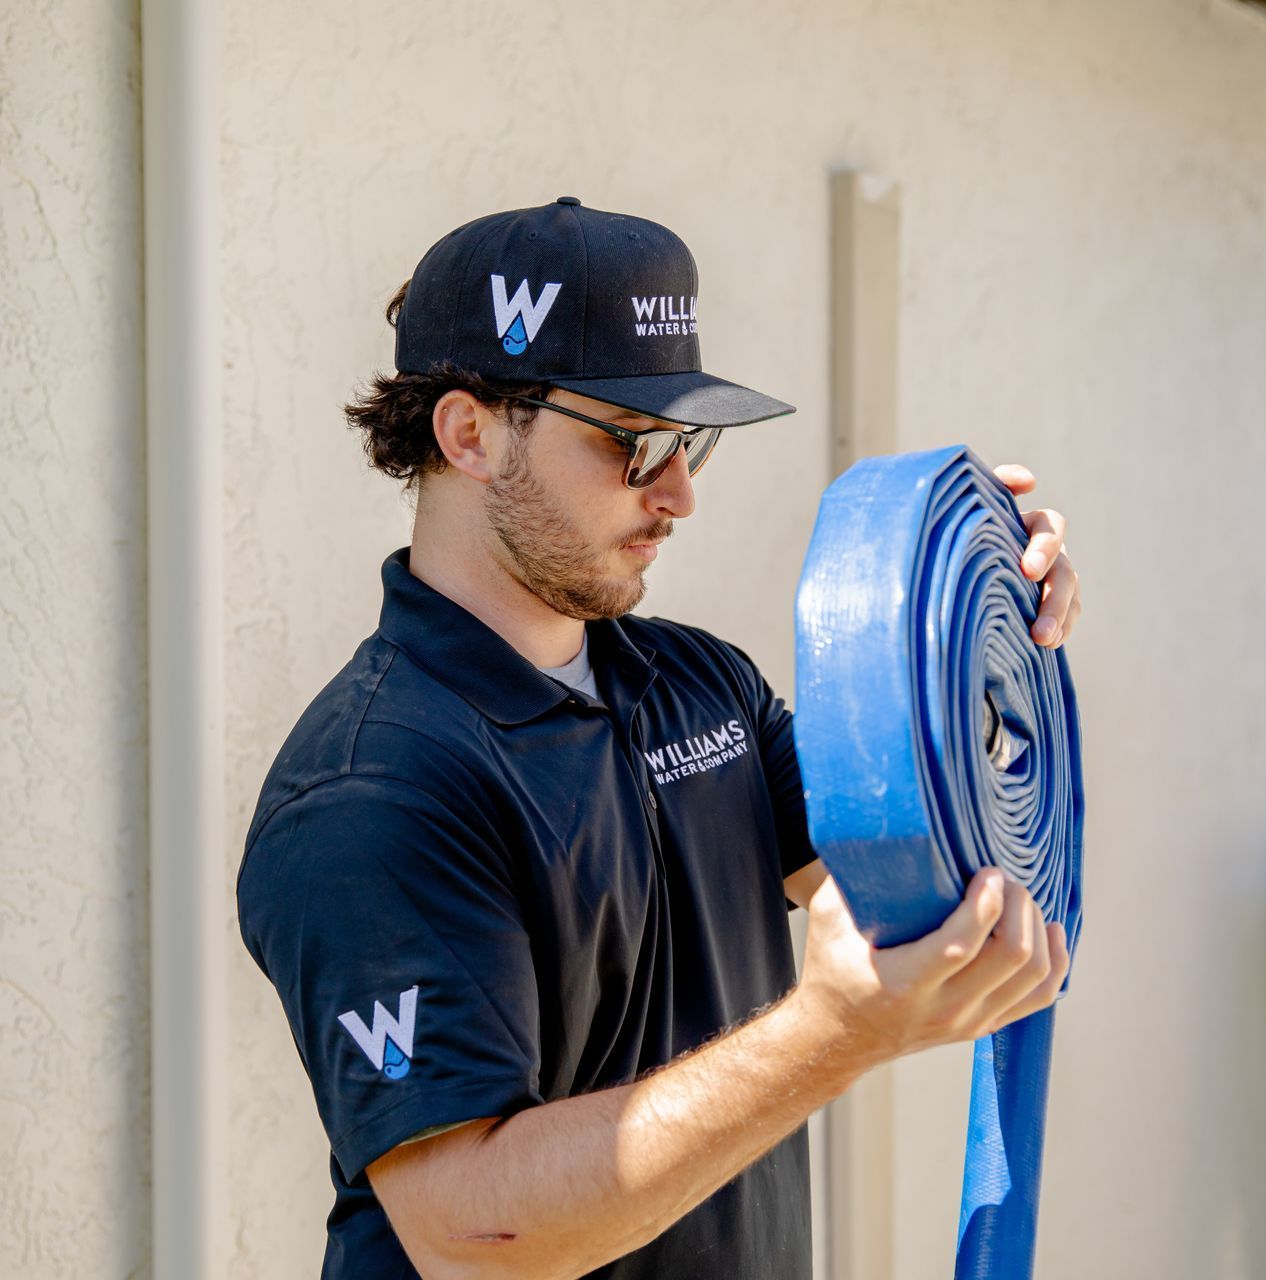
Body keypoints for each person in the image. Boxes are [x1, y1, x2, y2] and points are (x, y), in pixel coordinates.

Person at [237, 196, 1082, 1280]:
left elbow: (919, 865)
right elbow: (469, 1229)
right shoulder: (371, 789)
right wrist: (827, 1034)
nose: (678, 492)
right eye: (633, 445)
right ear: (469, 434)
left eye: (688, 443)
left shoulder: (694, 683)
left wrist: (995, 632)